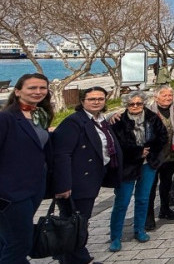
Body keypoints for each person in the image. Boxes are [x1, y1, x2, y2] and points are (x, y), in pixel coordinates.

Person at [52, 86, 122, 264]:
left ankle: (67, 256)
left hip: (93, 177)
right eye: (92, 99)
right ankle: (79, 258)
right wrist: (63, 184)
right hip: (76, 181)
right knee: (76, 221)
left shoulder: (100, 120)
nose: (96, 102)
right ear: (82, 101)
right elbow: (62, 154)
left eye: (100, 99)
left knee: (79, 220)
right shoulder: (73, 122)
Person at [0, 74, 52, 263]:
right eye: (32, 88)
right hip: (11, 192)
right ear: (17, 91)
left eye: (42, 88)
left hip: (34, 187)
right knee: (20, 243)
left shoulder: (40, 114)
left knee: (9, 240)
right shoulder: (6, 118)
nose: (38, 92)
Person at [108, 91, 168, 252]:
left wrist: (150, 151)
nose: (135, 106)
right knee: (122, 201)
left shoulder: (152, 118)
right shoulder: (118, 121)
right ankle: (115, 236)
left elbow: (163, 137)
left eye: (139, 103)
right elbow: (115, 144)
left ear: (144, 104)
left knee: (143, 198)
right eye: (131, 104)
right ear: (126, 105)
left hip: (148, 163)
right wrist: (137, 152)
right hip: (127, 165)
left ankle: (139, 229)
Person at [144, 85, 174, 230]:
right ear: (156, 97)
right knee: (150, 186)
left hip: (171, 153)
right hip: (153, 156)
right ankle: (148, 217)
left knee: (166, 183)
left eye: (170, 95)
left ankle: (165, 209)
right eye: (164, 95)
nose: (168, 98)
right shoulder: (147, 110)